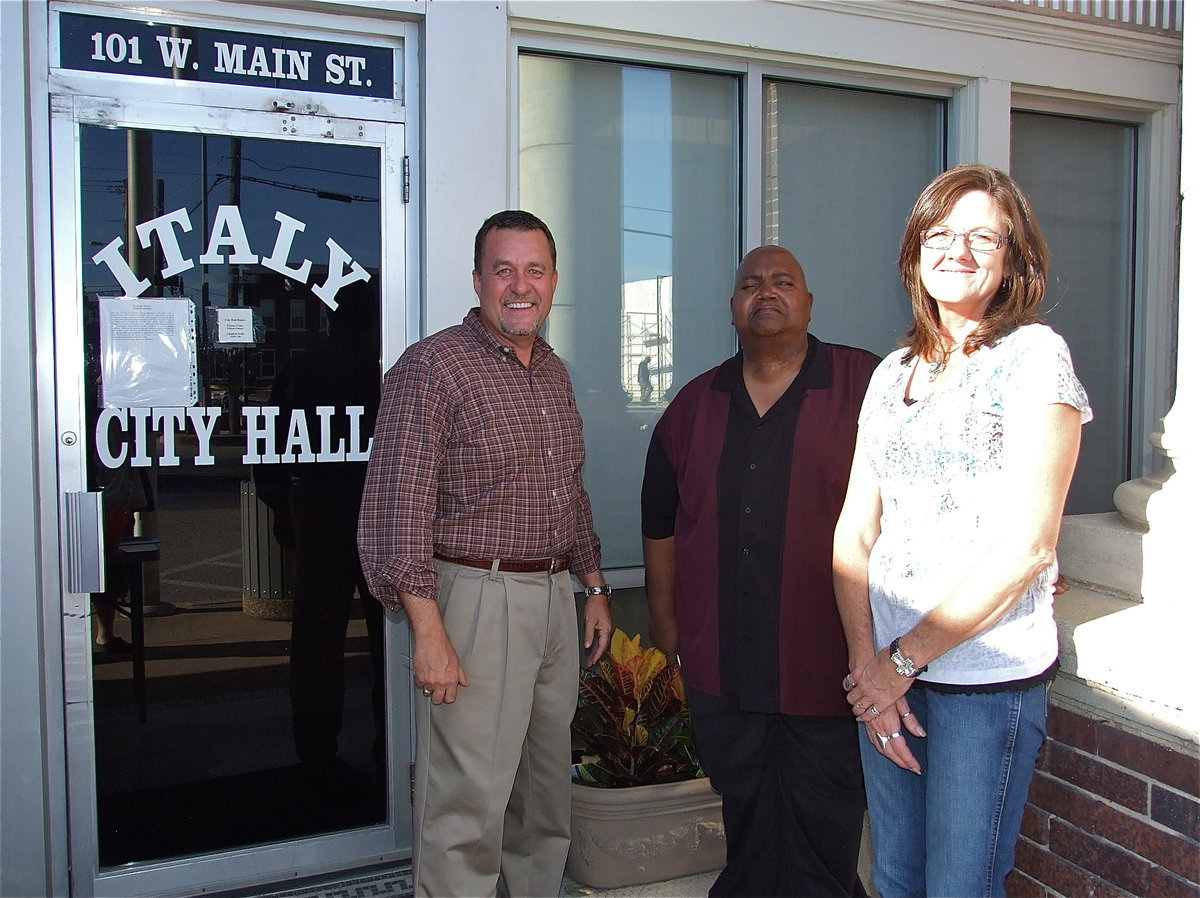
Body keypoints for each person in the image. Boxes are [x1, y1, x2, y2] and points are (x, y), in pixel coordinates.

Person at [832, 164, 1091, 898]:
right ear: (915, 253)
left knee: (959, 887)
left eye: (984, 237)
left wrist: (900, 663)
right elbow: (854, 534)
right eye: (941, 234)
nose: (959, 251)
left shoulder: (1034, 358)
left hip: (984, 682)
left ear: (1014, 260)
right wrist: (868, 671)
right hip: (889, 680)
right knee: (896, 877)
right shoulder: (892, 374)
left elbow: (1029, 547)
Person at [358, 210, 613, 898]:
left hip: (554, 599)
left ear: (554, 281)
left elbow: (569, 491)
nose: (520, 286)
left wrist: (593, 586)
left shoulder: (554, 372)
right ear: (478, 281)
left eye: (534, 271)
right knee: (466, 802)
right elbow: (397, 508)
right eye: (504, 271)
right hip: (474, 599)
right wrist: (430, 633)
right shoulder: (433, 367)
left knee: (542, 796)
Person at [642, 245, 879, 897]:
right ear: (732, 308)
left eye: (783, 282)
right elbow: (658, 522)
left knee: (825, 821)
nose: (766, 293)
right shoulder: (695, 406)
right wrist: (670, 636)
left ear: (808, 301)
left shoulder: (864, 385)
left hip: (831, 663)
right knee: (746, 814)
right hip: (728, 666)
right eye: (751, 284)